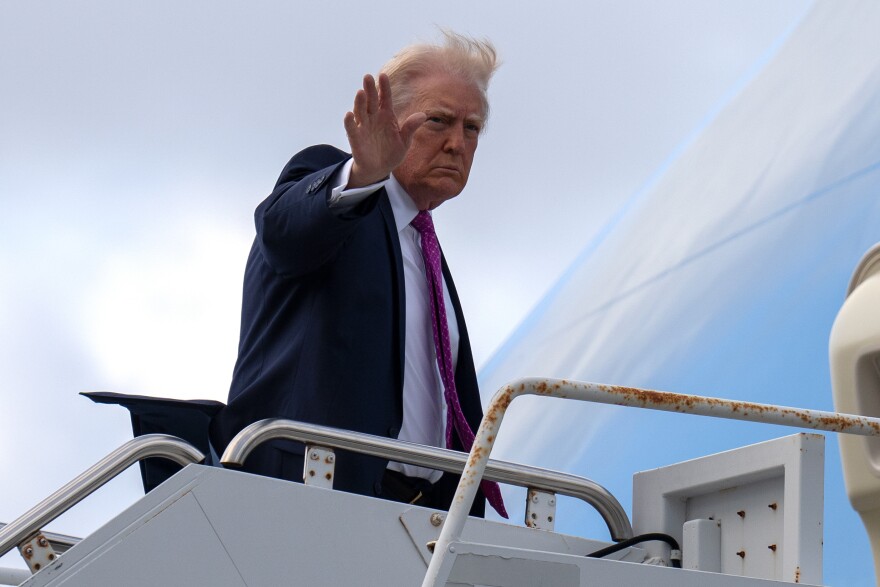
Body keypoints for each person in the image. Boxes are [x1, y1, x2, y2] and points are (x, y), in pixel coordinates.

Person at [210, 31, 505, 518]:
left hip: (420, 518)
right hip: (308, 500)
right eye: (439, 121)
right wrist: (361, 175)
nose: (457, 143)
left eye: (471, 128)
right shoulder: (338, 188)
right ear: (390, 122)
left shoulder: (422, 241)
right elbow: (283, 233)